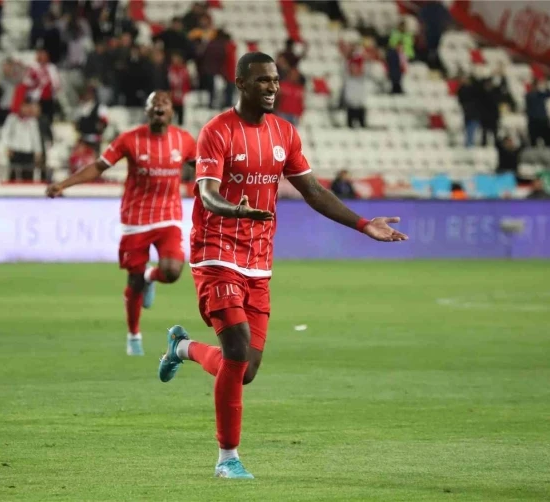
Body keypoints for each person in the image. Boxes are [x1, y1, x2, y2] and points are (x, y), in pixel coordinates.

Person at [156, 52, 407, 479]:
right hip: (216, 254)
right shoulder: (216, 131)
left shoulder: (284, 133)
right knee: (237, 349)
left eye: (274, 80)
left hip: (258, 261)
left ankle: (182, 348)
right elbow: (207, 194)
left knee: (245, 370)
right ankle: (227, 458)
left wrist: (364, 224)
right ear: (240, 83)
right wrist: (236, 210)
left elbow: (313, 191)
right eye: (262, 80)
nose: (272, 87)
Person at [46, 91, 197, 356]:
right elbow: (98, 166)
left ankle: (151, 276)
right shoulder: (129, 139)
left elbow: (205, 168)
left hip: (168, 216)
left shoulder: (184, 140)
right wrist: (63, 184)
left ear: (172, 112)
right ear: (147, 111)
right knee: (133, 282)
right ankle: (134, 336)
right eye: (154, 104)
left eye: (164, 104)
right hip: (136, 219)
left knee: (173, 271)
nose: (159, 107)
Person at [2, 100, 43, 181]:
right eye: (24, 107)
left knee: (28, 174)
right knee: (13, 173)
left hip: (28, 151)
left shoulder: (32, 121)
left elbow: (36, 137)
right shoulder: (12, 118)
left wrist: (38, 151)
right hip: (15, 150)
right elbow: (5, 133)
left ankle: (28, 188)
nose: (26, 110)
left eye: (28, 108)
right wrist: (7, 147)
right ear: (20, 107)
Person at [525, 79, 550, 146]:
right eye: (534, 86)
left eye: (536, 86)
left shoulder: (541, 94)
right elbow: (532, 97)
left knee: (548, 140)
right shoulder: (529, 95)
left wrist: (547, 86)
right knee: (533, 141)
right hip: (534, 121)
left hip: (543, 120)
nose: (535, 87)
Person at [168, 51, 191, 125]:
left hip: (181, 95)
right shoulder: (170, 69)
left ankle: (180, 125)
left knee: (180, 113)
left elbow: (187, 82)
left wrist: (185, 92)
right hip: (171, 95)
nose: (174, 60)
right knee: (171, 113)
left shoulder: (183, 70)